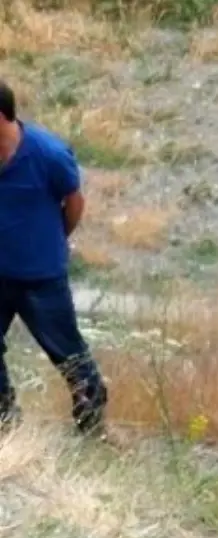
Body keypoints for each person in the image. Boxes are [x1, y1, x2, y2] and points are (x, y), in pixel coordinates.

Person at [0, 79, 108, 435]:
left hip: (41, 277)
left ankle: (92, 426)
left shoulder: (48, 154)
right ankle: (5, 420)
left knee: (70, 357)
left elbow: (74, 202)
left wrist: (53, 240)